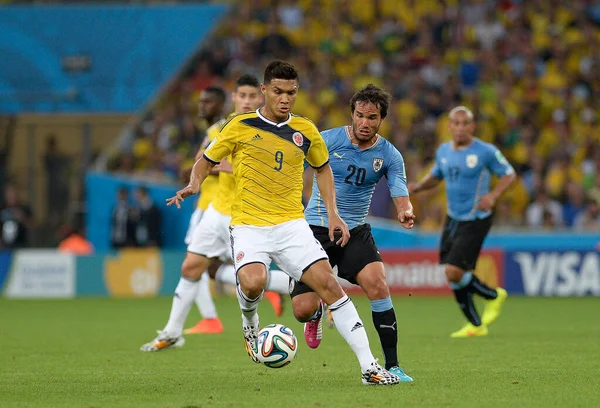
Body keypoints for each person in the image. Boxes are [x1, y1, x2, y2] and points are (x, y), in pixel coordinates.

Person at [166, 60, 400, 385]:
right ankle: (250, 325)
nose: (285, 98)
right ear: (265, 90)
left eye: (291, 92)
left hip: (291, 224)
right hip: (249, 224)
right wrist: (194, 184)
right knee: (253, 282)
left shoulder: (306, 130)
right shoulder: (239, 125)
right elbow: (206, 160)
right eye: (278, 91)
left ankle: (369, 367)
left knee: (329, 286)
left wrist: (332, 213)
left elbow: (323, 169)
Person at [141, 74, 290, 350]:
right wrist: (201, 173)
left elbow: (271, 170)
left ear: (261, 97)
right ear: (234, 98)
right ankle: (172, 332)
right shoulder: (220, 129)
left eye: (252, 97)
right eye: (241, 96)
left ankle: (297, 285)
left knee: (249, 279)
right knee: (191, 266)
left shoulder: (269, 130)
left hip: (247, 217)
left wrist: (225, 166)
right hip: (217, 211)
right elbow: (201, 160)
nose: (247, 101)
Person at [289, 84, 415, 382]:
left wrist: (405, 210)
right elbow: (295, 165)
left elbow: (400, 191)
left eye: (371, 117)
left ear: (381, 119)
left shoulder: (389, 155)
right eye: (360, 115)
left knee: (378, 285)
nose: (364, 122)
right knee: (302, 310)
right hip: (315, 229)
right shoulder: (328, 139)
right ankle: (318, 310)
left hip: (355, 230)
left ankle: (393, 365)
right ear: (352, 114)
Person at [409, 106, 515, 338]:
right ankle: (476, 325)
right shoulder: (444, 151)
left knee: (453, 271)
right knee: (454, 275)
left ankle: (493, 296)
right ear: (449, 126)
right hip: (452, 218)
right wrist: (418, 186)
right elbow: (436, 176)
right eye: (455, 123)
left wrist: (493, 196)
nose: (459, 128)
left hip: (476, 218)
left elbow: (509, 173)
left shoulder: (486, 151)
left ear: (472, 126)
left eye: (464, 123)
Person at [0, 184, 33, 249]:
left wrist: (21, 217)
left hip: (21, 245)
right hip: (4, 247)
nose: (12, 197)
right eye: (9, 194)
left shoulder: (24, 209)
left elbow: (32, 225)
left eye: (14, 194)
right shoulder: (2, 208)